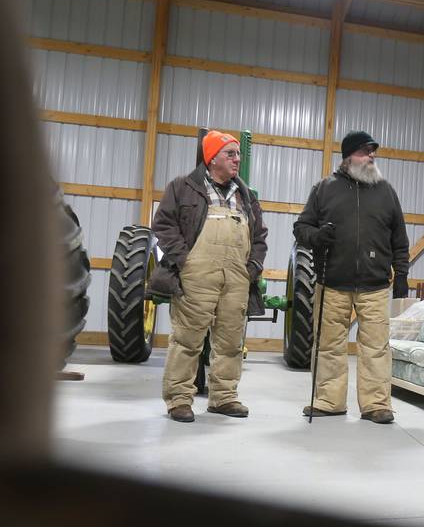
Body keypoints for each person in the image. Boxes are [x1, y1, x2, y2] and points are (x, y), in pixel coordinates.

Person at [148, 130, 268, 422]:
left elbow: (260, 236)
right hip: (196, 275)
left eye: (238, 154)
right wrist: (185, 261)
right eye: (230, 154)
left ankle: (223, 397)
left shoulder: (245, 195)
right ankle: (179, 400)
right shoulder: (183, 188)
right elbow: (163, 225)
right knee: (188, 340)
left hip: (236, 278)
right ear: (212, 157)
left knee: (230, 342)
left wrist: (251, 269)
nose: (237, 159)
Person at [293, 130, 410, 424]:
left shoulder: (386, 191)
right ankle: (329, 401)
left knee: (376, 348)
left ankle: (376, 405)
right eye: (364, 151)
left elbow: (400, 238)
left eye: (372, 151)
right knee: (329, 345)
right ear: (348, 158)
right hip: (332, 282)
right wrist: (317, 236)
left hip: (374, 285)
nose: (371, 156)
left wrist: (402, 276)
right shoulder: (324, 189)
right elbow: (301, 228)